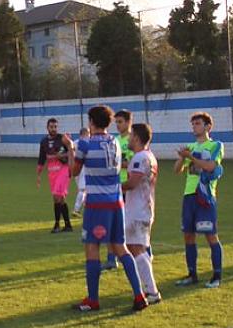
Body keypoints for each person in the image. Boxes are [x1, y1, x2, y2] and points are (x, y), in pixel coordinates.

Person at [65, 105, 148, 312]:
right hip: (117, 201)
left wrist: (70, 148)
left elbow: (74, 171)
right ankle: (139, 295)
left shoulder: (85, 143)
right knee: (120, 247)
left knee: (92, 247)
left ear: (91, 122)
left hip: (97, 203)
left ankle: (93, 300)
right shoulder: (115, 143)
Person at [173, 112, 224, 289]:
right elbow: (177, 171)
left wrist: (191, 157)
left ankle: (217, 276)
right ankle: (192, 274)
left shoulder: (215, 145)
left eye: (198, 123)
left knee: (210, 236)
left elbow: (210, 166)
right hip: (189, 195)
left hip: (205, 196)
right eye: (193, 123)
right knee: (188, 235)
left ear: (208, 126)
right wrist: (181, 157)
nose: (194, 126)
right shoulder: (190, 146)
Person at [121, 123, 161, 304]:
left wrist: (112, 188)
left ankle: (152, 291)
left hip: (138, 210)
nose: (128, 139)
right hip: (143, 207)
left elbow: (132, 183)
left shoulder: (139, 158)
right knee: (138, 248)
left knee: (135, 248)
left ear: (136, 137)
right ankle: (147, 287)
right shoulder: (149, 156)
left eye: (130, 136)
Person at [102, 110, 135, 270]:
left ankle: (133, 254)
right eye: (116, 122)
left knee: (129, 223)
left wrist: (114, 164)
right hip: (114, 186)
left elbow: (133, 163)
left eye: (120, 121)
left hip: (128, 185)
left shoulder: (133, 140)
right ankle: (111, 259)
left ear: (129, 122)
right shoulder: (114, 140)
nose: (118, 125)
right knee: (111, 223)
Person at [37, 118, 72, 233]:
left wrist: (62, 156)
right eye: (51, 127)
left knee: (58, 196)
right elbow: (41, 158)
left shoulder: (62, 138)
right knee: (58, 199)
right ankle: (67, 225)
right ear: (47, 128)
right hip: (52, 172)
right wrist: (38, 174)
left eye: (55, 127)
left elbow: (72, 150)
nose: (54, 129)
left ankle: (57, 225)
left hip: (63, 170)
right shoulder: (43, 141)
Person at [72, 127, 90, 218]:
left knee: (83, 189)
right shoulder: (87, 143)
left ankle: (87, 206)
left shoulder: (74, 142)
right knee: (83, 189)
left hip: (75, 167)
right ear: (86, 134)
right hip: (83, 167)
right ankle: (76, 209)